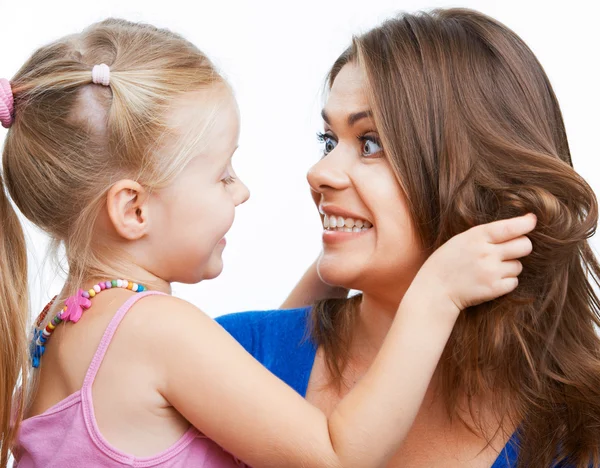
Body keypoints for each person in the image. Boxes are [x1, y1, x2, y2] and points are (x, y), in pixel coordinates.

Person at [0, 18, 534, 468]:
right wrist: (434, 294)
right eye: (222, 175)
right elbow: (336, 454)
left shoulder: (62, 323)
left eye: (369, 143)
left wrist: (327, 275)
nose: (242, 190)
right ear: (134, 209)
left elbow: (255, 385)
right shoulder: (158, 327)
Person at [217, 8, 600, 468]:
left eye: (370, 142)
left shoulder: (578, 423)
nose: (319, 173)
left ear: (480, 177)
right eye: (327, 141)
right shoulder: (229, 356)